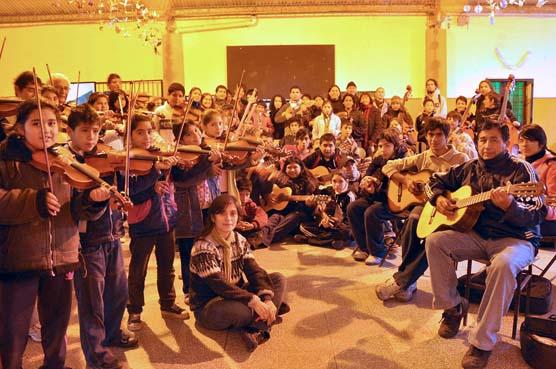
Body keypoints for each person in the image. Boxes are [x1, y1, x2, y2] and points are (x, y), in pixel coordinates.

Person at [424, 120, 545, 369]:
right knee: (435, 241)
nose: (486, 145)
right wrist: (437, 199)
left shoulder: (522, 171)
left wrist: (511, 206)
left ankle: (482, 342)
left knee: (503, 265)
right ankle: (453, 307)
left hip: (517, 238)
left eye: (493, 140)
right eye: (482, 139)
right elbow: (432, 182)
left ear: (505, 143)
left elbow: (537, 212)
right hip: (477, 235)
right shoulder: (469, 167)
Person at [0, 98, 110, 369]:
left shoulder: (64, 159)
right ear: (20, 128)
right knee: (12, 336)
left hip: (62, 255)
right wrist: (32, 201)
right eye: (37, 123)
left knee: (57, 330)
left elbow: (75, 210)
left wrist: (92, 201)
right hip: (19, 258)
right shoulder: (5, 158)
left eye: (51, 123)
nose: (46, 130)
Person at [66, 105, 138, 369]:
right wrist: (93, 199)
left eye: (95, 131)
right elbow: (75, 208)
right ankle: (97, 357)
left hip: (112, 235)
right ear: (69, 131)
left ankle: (111, 333)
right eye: (84, 131)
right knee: (91, 303)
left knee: (118, 292)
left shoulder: (103, 158)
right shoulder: (67, 163)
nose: (91, 137)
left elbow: (110, 194)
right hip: (87, 243)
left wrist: (115, 203)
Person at [352, 118, 468, 266]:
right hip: (422, 203)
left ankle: (410, 269)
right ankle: (402, 266)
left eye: (439, 135)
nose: (434, 139)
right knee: (359, 208)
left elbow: (466, 186)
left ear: (447, 136)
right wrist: (406, 181)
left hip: (445, 206)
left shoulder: (461, 158)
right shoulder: (423, 156)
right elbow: (388, 167)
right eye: (430, 134)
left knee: (412, 220)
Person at [189, 194, 288, 352]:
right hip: (210, 305)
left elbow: (254, 271)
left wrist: (267, 299)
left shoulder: (239, 240)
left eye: (233, 213)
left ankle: (259, 323)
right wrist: (254, 300)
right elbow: (220, 286)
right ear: (213, 218)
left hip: (237, 294)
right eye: (222, 213)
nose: (228, 218)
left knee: (278, 278)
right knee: (241, 311)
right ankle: (265, 319)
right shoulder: (203, 247)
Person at [125, 114, 189, 332]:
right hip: (142, 222)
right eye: (139, 132)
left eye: (149, 131)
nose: (146, 136)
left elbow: (177, 178)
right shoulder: (128, 160)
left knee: (167, 266)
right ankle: (134, 310)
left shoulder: (158, 156)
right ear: (130, 135)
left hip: (166, 220)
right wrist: (155, 177)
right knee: (138, 269)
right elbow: (130, 192)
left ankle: (168, 303)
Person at [348, 129, 409, 263]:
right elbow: (364, 188)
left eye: (387, 145)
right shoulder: (377, 161)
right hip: (378, 197)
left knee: (372, 212)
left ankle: (378, 252)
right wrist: (367, 188)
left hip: (396, 202)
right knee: (353, 207)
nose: (382, 149)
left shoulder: (403, 162)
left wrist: (375, 189)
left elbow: (392, 194)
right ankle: (364, 248)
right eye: (380, 146)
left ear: (395, 146)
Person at [260, 157, 318, 246]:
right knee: (274, 217)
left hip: (299, 216)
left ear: (301, 168)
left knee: (296, 215)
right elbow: (265, 190)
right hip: (282, 213)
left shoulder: (309, 183)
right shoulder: (280, 180)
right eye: (289, 167)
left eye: (295, 167)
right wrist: (269, 197)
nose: (292, 170)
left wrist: (309, 204)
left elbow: (311, 210)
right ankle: (260, 237)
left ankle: (262, 239)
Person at [298, 172, 355, 249]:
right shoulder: (327, 191)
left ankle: (309, 240)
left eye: (340, 181)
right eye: (334, 181)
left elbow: (348, 222)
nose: (337, 185)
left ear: (346, 182)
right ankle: (333, 241)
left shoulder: (350, 197)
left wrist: (333, 223)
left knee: (349, 233)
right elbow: (318, 207)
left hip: (340, 226)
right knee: (303, 226)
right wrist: (323, 217)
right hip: (326, 224)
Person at [519, 124, 556, 236]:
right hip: (524, 212)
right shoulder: (519, 162)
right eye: (521, 140)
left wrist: (539, 208)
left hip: (547, 218)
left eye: (530, 140)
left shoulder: (551, 165)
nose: (524, 144)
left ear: (541, 143)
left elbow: (554, 201)